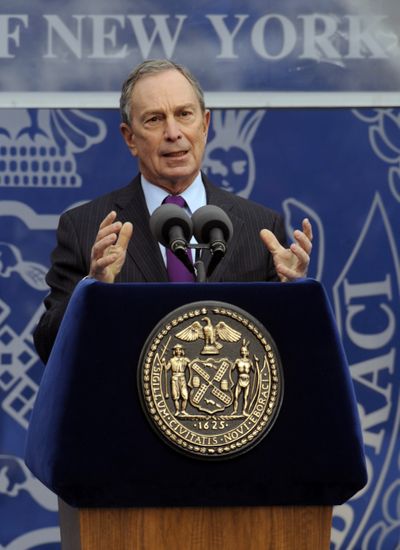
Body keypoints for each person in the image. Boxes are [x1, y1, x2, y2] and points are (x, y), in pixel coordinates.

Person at [33, 59, 313, 364]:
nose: (173, 132)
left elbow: (289, 354)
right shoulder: (86, 228)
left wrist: (295, 295)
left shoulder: (261, 227)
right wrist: (91, 290)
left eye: (184, 114)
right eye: (154, 119)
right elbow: (49, 347)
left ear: (205, 125)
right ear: (130, 138)